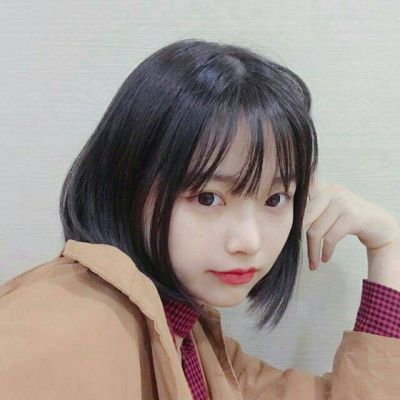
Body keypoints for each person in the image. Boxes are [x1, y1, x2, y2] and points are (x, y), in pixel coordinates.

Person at [1, 39, 399, 399]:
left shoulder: (188, 337)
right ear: (127, 182)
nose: (249, 241)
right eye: (208, 198)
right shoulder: (67, 328)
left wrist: (387, 248)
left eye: (275, 198)